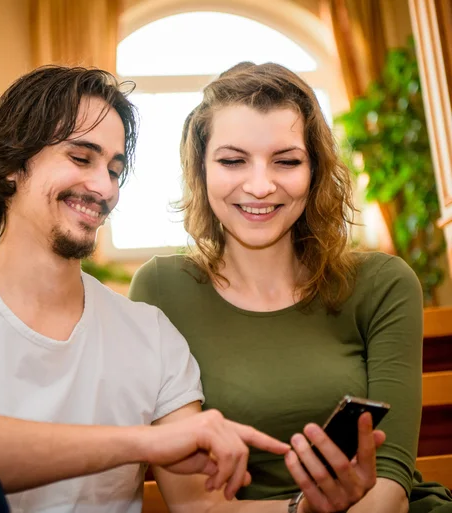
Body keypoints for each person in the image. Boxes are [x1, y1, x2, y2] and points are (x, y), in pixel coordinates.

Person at [0, 65, 294, 513]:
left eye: (115, 169)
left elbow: (205, 507)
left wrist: (305, 509)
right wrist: (143, 441)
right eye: (81, 158)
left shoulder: (151, 334)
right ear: (10, 167)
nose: (104, 187)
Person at [129, 61, 452, 513]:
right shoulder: (162, 290)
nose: (260, 186)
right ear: (200, 170)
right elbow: (196, 505)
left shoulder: (384, 283)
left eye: (286, 161)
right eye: (232, 160)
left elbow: (391, 484)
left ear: (315, 171)